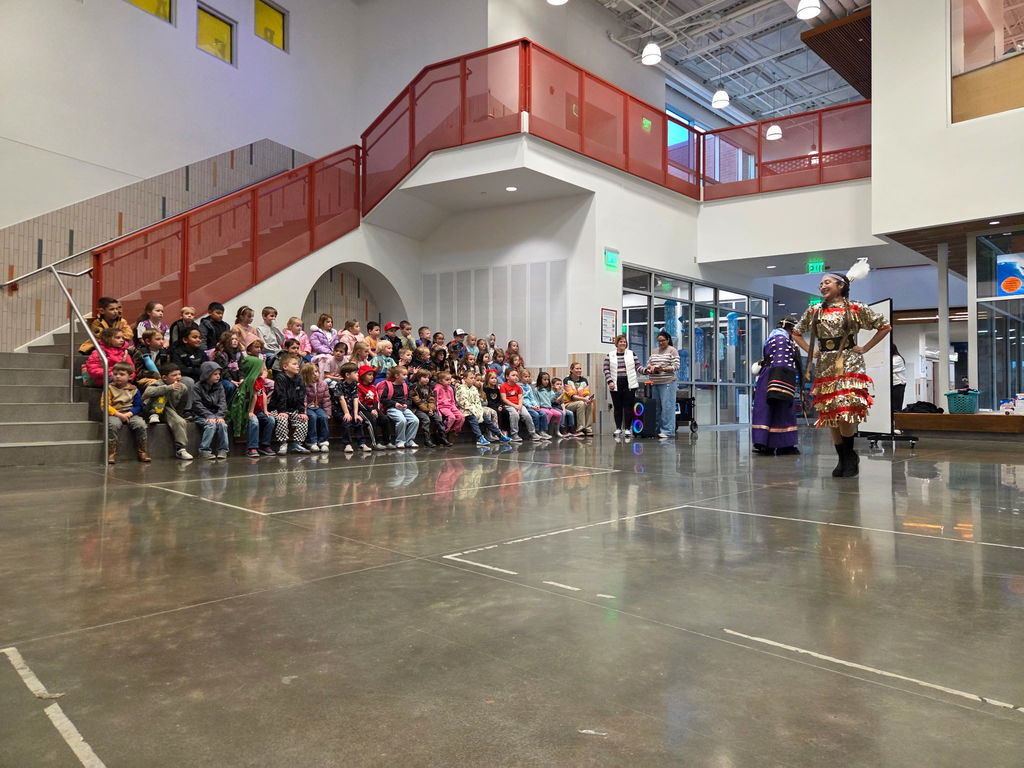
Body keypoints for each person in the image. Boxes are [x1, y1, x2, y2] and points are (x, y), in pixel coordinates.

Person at [791, 268, 891, 478]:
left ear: (840, 286)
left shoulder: (856, 307)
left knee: (845, 409)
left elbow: (884, 326)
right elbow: (796, 332)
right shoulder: (815, 310)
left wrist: (865, 348)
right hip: (826, 363)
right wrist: (813, 351)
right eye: (820, 284)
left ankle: (849, 457)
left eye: (827, 282)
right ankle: (842, 457)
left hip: (848, 361)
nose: (822, 286)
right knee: (830, 412)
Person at [751, 317, 801, 456]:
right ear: (792, 330)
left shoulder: (773, 337)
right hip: (777, 376)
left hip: (767, 376)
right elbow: (781, 361)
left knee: (765, 410)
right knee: (781, 409)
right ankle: (783, 444)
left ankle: (764, 443)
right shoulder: (782, 339)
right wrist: (780, 384)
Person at [226, 356, 276, 458]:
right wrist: (250, 412)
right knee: (254, 421)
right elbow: (254, 397)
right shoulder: (250, 381)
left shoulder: (260, 380)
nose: (263, 370)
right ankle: (252, 447)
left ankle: (265, 444)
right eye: (260, 367)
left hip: (259, 411)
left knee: (270, 419)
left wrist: (266, 410)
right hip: (247, 411)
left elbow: (264, 395)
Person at [142, 363, 194, 460]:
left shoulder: (183, 387)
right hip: (150, 410)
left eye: (179, 374)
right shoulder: (158, 383)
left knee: (180, 422)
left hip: (168, 411)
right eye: (174, 375)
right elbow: (147, 393)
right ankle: (154, 414)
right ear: (165, 378)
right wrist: (169, 388)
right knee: (162, 393)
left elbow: (182, 403)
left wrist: (179, 415)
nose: (178, 377)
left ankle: (181, 449)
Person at [104, 362, 149, 464]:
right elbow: (105, 405)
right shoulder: (109, 388)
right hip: (115, 413)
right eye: (115, 374)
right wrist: (118, 414)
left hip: (130, 413)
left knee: (140, 424)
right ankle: (111, 453)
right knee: (113, 425)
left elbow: (138, 405)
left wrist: (130, 413)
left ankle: (143, 451)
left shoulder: (134, 390)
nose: (118, 376)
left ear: (130, 376)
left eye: (121, 374)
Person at [269, 352, 310, 454]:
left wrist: (302, 411)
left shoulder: (299, 378)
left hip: (293, 409)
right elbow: (280, 395)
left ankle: (297, 444)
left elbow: (301, 396)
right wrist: (282, 411)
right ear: (285, 367)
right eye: (294, 364)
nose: (298, 366)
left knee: (303, 419)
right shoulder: (280, 378)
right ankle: (283, 443)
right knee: (282, 419)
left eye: (298, 364)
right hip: (278, 408)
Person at [604, 334, 643, 438]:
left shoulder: (631, 354)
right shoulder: (610, 355)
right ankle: (618, 428)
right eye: (621, 342)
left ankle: (627, 429)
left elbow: (638, 366)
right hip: (615, 383)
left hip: (629, 383)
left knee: (628, 407)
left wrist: (645, 371)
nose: (623, 343)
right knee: (617, 407)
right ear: (616, 343)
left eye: (624, 342)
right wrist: (610, 381)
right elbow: (606, 369)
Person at [456, 369, 509, 445]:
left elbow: (477, 401)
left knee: (486, 418)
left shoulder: (474, 389)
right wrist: (473, 410)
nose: (473, 380)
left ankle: (499, 435)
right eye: (471, 378)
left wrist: (478, 410)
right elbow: (462, 402)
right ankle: (479, 437)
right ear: (464, 379)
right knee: (473, 419)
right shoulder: (460, 388)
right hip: (466, 410)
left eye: (474, 378)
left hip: (476, 409)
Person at [645, 330, 681, 439]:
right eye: (659, 341)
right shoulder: (654, 351)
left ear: (668, 340)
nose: (661, 343)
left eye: (663, 341)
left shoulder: (672, 351)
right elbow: (648, 363)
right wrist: (650, 368)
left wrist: (663, 369)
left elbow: (676, 366)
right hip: (655, 382)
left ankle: (668, 430)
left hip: (667, 382)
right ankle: (656, 429)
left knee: (667, 407)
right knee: (656, 408)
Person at [192, 361, 230, 460]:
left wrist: (219, 416)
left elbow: (222, 402)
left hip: (216, 414)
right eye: (215, 374)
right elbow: (197, 404)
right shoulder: (197, 387)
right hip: (201, 415)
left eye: (219, 374)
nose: (218, 376)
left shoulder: (219, 386)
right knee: (211, 425)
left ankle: (223, 450)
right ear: (207, 374)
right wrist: (209, 416)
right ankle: (204, 450)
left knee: (223, 425)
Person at [378, 365, 418, 449]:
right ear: (396, 376)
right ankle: (400, 441)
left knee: (415, 420)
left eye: (406, 375)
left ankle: (409, 440)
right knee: (402, 420)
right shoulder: (388, 386)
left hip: (404, 408)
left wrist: (406, 404)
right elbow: (383, 400)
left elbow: (409, 399)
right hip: (392, 408)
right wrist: (395, 404)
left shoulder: (405, 386)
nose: (406, 377)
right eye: (404, 375)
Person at [335, 362, 371, 452]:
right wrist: (346, 413)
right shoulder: (339, 384)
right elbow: (341, 399)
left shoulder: (354, 384)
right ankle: (347, 444)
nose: (358, 374)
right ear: (347, 375)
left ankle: (361, 443)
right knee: (346, 422)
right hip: (340, 410)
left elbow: (355, 398)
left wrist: (355, 414)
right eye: (355, 373)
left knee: (357, 421)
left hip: (350, 409)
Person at [500, 369, 544, 441]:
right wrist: (515, 406)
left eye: (516, 375)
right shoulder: (503, 386)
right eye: (513, 375)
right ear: (507, 377)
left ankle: (532, 433)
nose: (515, 377)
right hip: (509, 405)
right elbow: (504, 399)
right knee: (515, 415)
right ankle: (514, 434)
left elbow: (520, 398)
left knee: (527, 415)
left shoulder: (518, 387)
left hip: (519, 405)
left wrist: (520, 406)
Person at [301, 362, 332, 453]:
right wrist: (304, 412)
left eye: (317, 371)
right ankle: (311, 441)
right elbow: (304, 401)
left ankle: (323, 441)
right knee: (313, 417)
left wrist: (327, 412)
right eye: (312, 373)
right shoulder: (304, 385)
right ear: (306, 375)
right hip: (308, 407)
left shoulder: (323, 384)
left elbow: (326, 399)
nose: (316, 374)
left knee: (323, 416)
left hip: (317, 407)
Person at [357, 365, 390, 449]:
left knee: (385, 419)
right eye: (369, 374)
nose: (372, 376)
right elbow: (360, 402)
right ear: (362, 375)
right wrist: (370, 410)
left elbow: (376, 400)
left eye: (372, 374)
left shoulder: (373, 387)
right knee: (371, 421)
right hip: (363, 409)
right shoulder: (358, 387)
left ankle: (387, 442)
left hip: (373, 409)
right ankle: (375, 443)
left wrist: (375, 409)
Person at [410, 370, 444, 447]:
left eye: (428, 378)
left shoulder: (428, 388)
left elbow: (431, 399)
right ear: (419, 377)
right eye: (424, 377)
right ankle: (427, 440)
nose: (427, 379)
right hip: (417, 409)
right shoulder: (414, 387)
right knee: (426, 419)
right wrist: (427, 410)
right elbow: (417, 401)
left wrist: (431, 409)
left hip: (428, 409)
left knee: (438, 419)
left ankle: (442, 437)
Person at [132, 328, 169, 397]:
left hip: (161, 377)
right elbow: (138, 371)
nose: (161, 342)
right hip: (143, 379)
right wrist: (154, 375)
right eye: (158, 339)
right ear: (148, 341)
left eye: (162, 339)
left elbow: (166, 367)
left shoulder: (164, 353)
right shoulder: (141, 353)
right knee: (158, 385)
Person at [564, 362, 595, 436]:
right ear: (571, 370)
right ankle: (580, 429)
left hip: (580, 402)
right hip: (568, 404)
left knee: (590, 403)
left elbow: (586, 393)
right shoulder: (567, 380)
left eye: (580, 368)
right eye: (577, 368)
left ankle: (588, 428)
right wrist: (584, 399)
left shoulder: (584, 380)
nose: (579, 370)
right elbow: (572, 396)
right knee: (581, 403)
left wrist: (588, 399)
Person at [212, 331, 242, 402]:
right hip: (223, 379)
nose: (235, 341)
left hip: (236, 378)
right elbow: (223, 370)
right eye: (232, 339)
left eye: (236, 339)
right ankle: (225, 405)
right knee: (230, 386)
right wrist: (231, 380)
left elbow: (241, 368)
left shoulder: (239, 353)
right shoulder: (220, 354)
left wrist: (241, 378)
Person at [533, 371, 565, 438]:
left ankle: (556, 431)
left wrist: (557, 393)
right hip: (541, 407)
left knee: (558, 414)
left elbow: (552, 399)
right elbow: (536, 399)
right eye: (544, 380)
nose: (546, 381)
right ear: (540, 380)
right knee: (549, 413)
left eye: (548, 380)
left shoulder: (549, 390)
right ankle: (543, 431)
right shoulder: (536, 390)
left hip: (549, 407)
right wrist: (537, 406)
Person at [435, 371, 464, 441]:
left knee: (461, 416)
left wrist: (454, 407)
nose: (449, 382)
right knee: (452, 417)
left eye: (450, 380)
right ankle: (444, 431)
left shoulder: (450, 388)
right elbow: (435, 400)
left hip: (451, 406)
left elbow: (452, 400)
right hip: (442, 406)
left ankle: (454, 431)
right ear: (440, 381)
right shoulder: (437, 388)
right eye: (447, 380)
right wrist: (437, 408)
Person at [892, 344, 908, 413]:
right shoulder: (892, 358)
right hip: (893, 385)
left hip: (898, 385)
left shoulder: (897, 358)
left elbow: (890, 367)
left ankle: (896, 423)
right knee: (892, 406)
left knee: (896, 407)